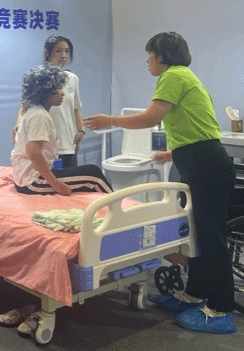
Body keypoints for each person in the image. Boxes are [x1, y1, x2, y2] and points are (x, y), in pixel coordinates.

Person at [83, 32, 237, 334]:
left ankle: (221, 309)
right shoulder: (183, 76)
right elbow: (196, 126)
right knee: (195, 232)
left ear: (163, 55)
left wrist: (110, 120)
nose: (147, 60)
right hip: (199, 160)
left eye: (150, 54)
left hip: (206, 164)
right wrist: (172, 153)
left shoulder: (173, 76)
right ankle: (195, 294)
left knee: (211, 236)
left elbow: (150, 119)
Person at [11, 64, 112, 196]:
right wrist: (56, 184)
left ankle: (107, 206)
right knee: (94, 176)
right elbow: (34, 153)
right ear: (45, 93)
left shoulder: (36, 112)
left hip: (27, 177)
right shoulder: (39, 116)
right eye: (58, 90)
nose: (62, 93)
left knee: (91, 171)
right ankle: (118, 206)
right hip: (32, 181)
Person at [13, 35, 85, 169]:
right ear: (47, 52)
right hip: (43, 142)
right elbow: (24, 108)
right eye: (58, 51)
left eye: (67, 51)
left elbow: (75, 108)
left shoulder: (72, 79)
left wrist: (81, 131)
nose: (64, 55)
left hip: (67, 143)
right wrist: (19, 124)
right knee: (47, 179)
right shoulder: (38, 78)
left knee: (69, 178)